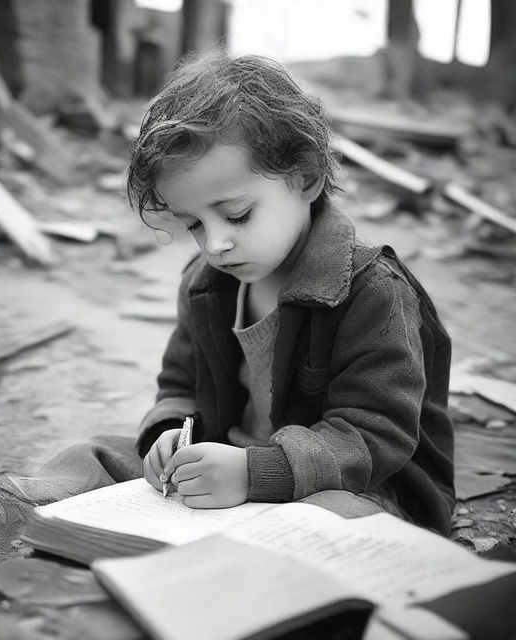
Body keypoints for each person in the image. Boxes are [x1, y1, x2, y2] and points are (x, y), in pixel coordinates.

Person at [126, 49, 455, 535]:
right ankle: (28, 519)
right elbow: (179, 381)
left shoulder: (372, 294)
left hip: (360, 487)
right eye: (194, 223)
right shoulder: (205, 283)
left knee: (328, 526)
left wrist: (258, 471)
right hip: (232, 470)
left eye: (237, 214)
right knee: (94, 457)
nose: (215, 243)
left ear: (304, 178)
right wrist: (171, 434)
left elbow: (373, 435)